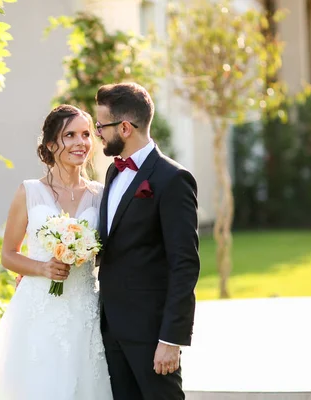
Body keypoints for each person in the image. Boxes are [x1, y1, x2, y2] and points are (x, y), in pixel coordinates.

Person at [0, 104, 113, 400]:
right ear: (50, 144)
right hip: (38, 311)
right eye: (69, 135)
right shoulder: (29, 192)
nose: (80, 143)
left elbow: (108, 251)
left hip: (84, 308)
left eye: (86, 134)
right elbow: (8, 254)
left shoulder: (101, 194)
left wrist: (84, 253)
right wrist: (43, 268)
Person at [95, 82, 200, 400]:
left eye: (101, 125)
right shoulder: (113, 174)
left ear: (124, 127)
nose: (98, 132)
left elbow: (185, 264)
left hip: (152, 335)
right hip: (111, 328)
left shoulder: (172, 179)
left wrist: (171, 338)